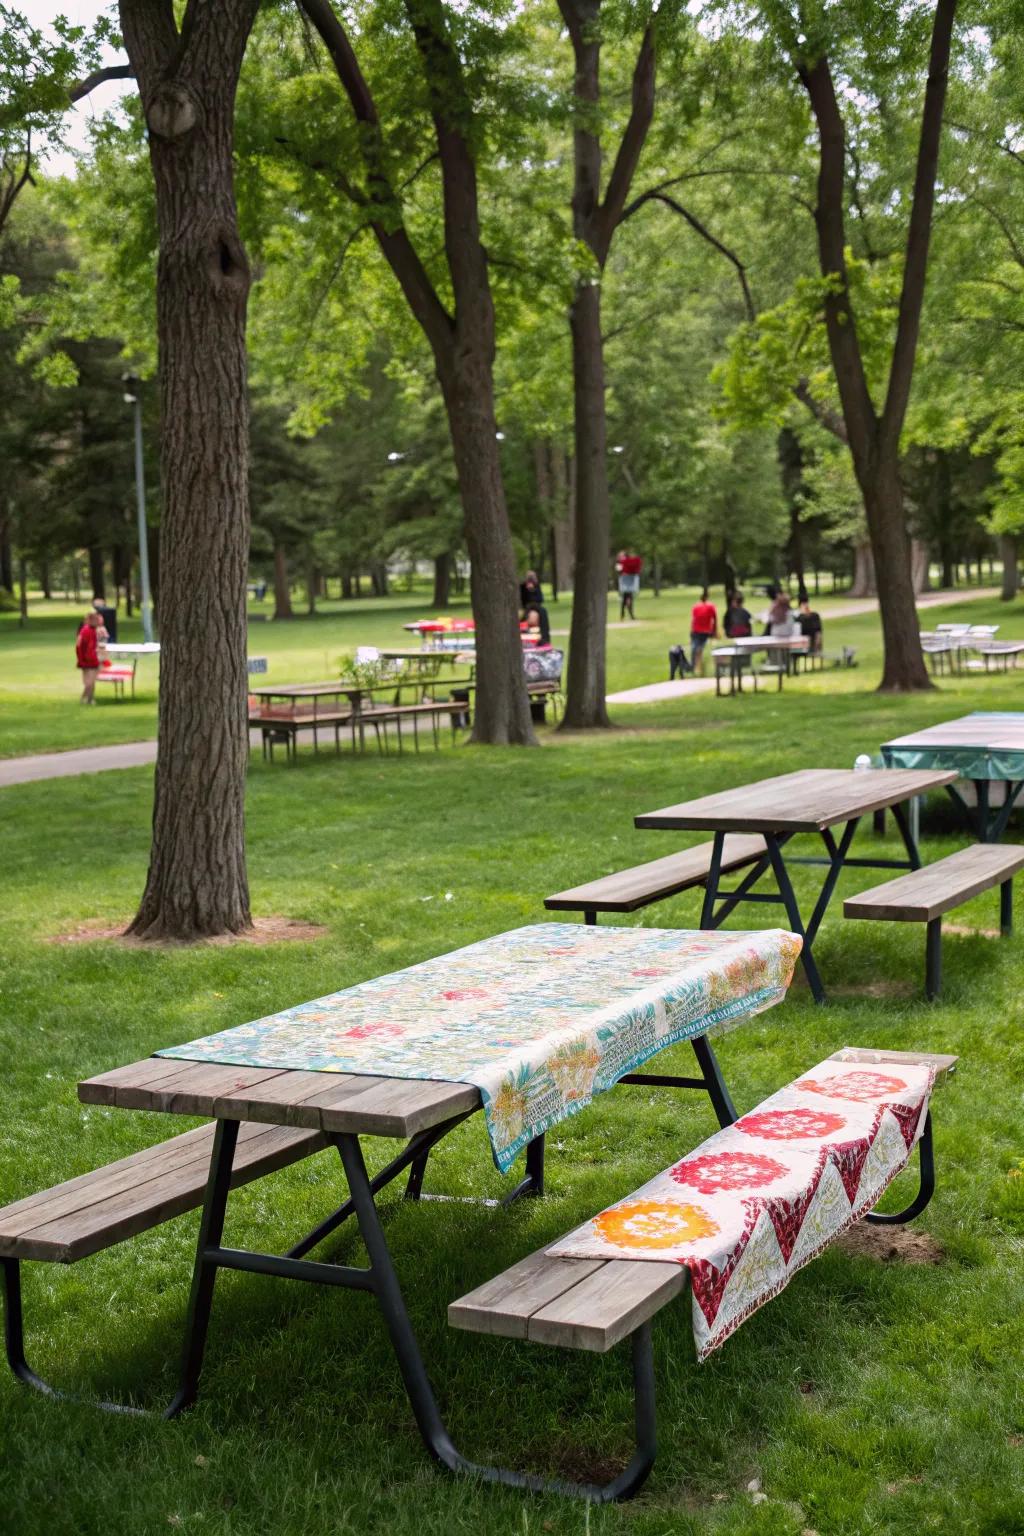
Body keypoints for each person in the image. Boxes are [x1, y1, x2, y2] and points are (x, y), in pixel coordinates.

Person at [76, 609, 103, 704]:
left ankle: (90, 699)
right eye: (97, 620)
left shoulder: (93, 630)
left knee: (92, 681)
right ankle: (83, 698)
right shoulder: (85, 631)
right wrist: (82, 659)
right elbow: (79, 646)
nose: (99, 622)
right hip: (87, 660)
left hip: (92, 659)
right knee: (89, 682)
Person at [690, 587, 718, 675]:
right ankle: (700, 666)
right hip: (705, 631)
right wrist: (714, 630)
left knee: (695, 648)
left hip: (696, 631)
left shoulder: (695, 606)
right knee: (700, 648)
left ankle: (694, 666)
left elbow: (694, 619)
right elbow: (714, 619)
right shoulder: (711, 606)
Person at [615, 550, 642, 619]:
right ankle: (628, 614)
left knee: (627, 597)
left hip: (629, 580)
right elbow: (619, 571)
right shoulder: (620, 562)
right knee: (627, 597)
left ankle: (624, 614)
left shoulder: (624, 562)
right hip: (625, 581)